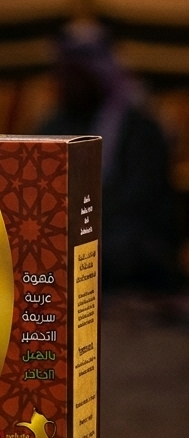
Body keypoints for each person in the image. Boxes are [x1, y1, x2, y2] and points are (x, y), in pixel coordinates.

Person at [40, 20, 179, 290]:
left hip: (130, 236)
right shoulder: (53, 126)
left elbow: (137, 202)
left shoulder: (139, 128)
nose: (68, 81)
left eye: (77, 72)